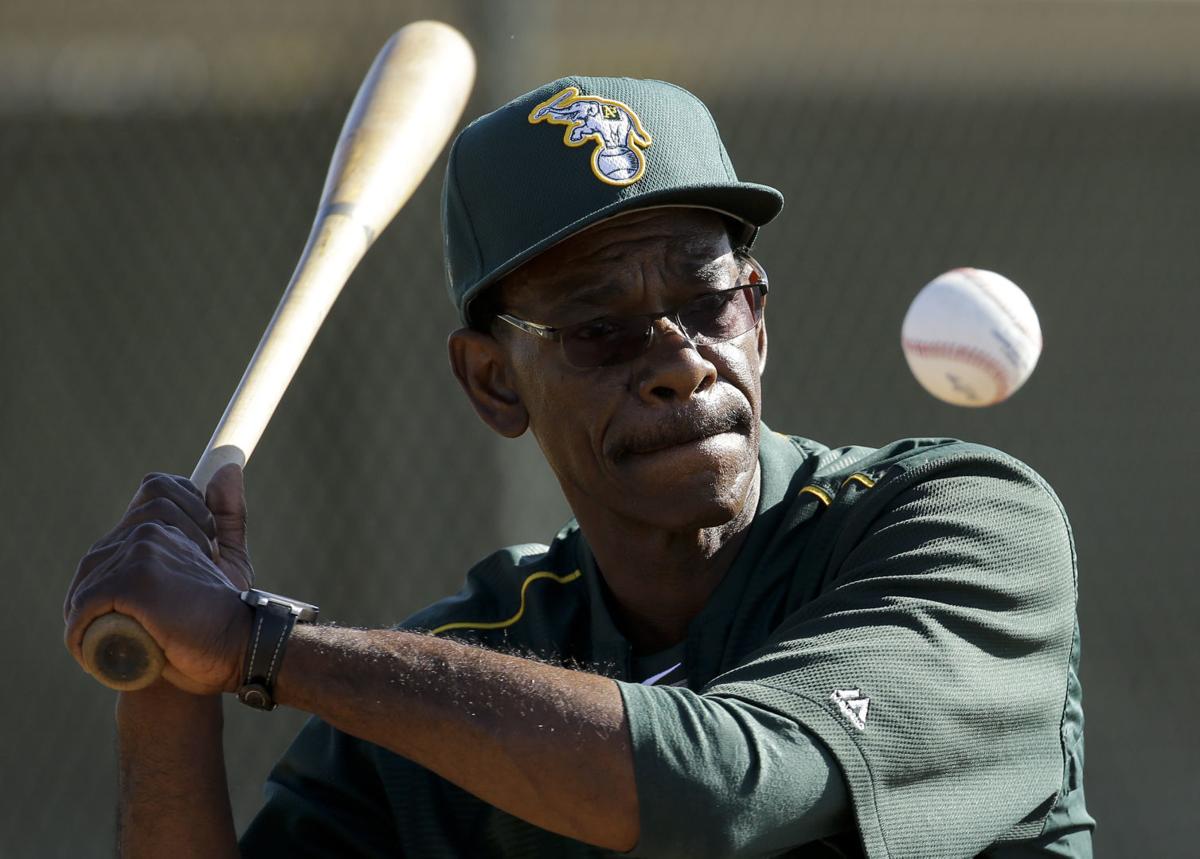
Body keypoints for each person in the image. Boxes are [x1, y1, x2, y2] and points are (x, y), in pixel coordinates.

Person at [63, 76, 1093, 858]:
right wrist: (168, 678)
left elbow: (726, 788)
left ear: (758, 315)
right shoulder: (473, 663)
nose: (681, 361)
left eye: (708, 300)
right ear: (493, 383)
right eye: (601, 326)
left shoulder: (958, 523)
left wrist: (260, 644)